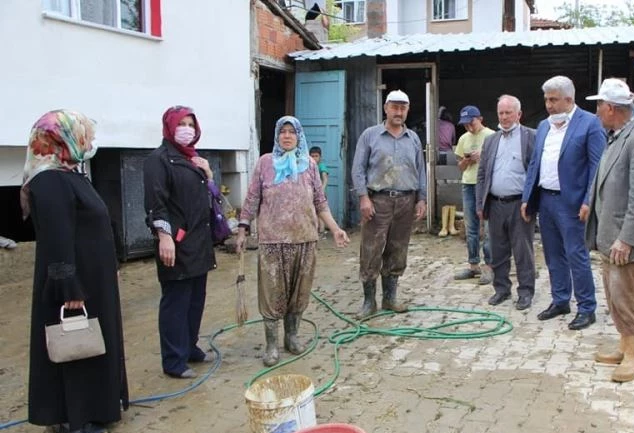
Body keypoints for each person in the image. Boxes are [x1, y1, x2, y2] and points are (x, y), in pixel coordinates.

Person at [21, 109, 128, 433]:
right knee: (75, 347)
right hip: (73, 284)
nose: (91, 141)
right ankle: (73, 420)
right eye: (86, 135)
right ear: (61, 138)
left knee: (92, 345)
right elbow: (56, 239)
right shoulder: (49, 181)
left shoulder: (69, 174)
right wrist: (68, 286)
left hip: (92, 280)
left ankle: (97, 407)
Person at [237, 116, 349, 366]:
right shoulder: (265, 163)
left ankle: (292, 336)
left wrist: (335, 228)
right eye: (282, 132)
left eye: (292, 132)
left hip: (304, 239)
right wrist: (243, 230)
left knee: (299, 293)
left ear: (299, 137)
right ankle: (271, 345)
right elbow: (252, 198)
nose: (287, 136)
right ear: (277, 136)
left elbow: (320, 202)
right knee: (271, 293)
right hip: (272, 241)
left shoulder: (309, 164)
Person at [584, 79, 634, 382]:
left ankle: (633, 355)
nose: (597, 111)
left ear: (612, 108)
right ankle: (625, 344)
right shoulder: (617, 136)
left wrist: (627, 239)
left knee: (628, 297)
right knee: (616, 296)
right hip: (610, 237)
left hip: (626, 241)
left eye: (599, 105)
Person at [521, 76, 605, 330]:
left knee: (576, 255)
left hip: (573, 203)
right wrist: (527, 197)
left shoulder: (590, 124)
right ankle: (560, 300)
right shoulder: (544, 126)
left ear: (569, 99)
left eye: (554, 100)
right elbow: (535, 163)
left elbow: (597, 167)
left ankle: (586, 307)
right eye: (546, 99)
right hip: (546, 199)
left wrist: (589, 200)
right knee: (552, 254)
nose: (548, 104)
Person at [144, 106, 216, 379]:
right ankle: (173, 359)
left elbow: (209, 198)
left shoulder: (193, 158)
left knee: (196, 298)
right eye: (181, 123)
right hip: (176, 242)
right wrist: (164, 236)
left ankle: (190, 346)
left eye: (191, 123)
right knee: (176, 300)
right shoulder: (158, 160)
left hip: (199, 240)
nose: (187, 128)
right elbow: (155, 202)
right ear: (169, 127)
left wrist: (208, 174)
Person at [353, 90, 427, 318]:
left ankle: (390, 298)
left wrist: (422, 198)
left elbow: (420, 169)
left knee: (398, 249)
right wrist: (363, 197)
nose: (398, 112)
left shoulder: (413, 138)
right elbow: (358, 168)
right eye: (394, 107)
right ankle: (368, 302)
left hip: (406, 201)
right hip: (378, 201)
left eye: (403, 108)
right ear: (386, 108)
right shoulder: (370, 135)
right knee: (371, 249)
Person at [476, 94, 536, 310]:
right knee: (498, 250)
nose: (504, 117)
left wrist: (532, 203)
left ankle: (526, 292)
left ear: (518, 114)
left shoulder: (531, 137)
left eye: (508, 112)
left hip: (520, 204)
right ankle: (501, 289)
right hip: (495, 203)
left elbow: (536, 172)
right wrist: (479, 204)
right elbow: (482, 174)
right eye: (501, 113)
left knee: (523, 250)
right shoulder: (491, 140)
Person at [453, 105, 494, 285]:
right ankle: (473, 265)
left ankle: (489, 266)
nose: (469, 127)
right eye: (466, 125)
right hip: (468, 184)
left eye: (472, 123)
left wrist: (482, 156)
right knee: (471, 226)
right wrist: (467, 159)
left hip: (486, 185)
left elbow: (497, 161)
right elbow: (460, 166)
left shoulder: (492, 136)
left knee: (488, 226)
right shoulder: (463, 139)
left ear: (480, 119)